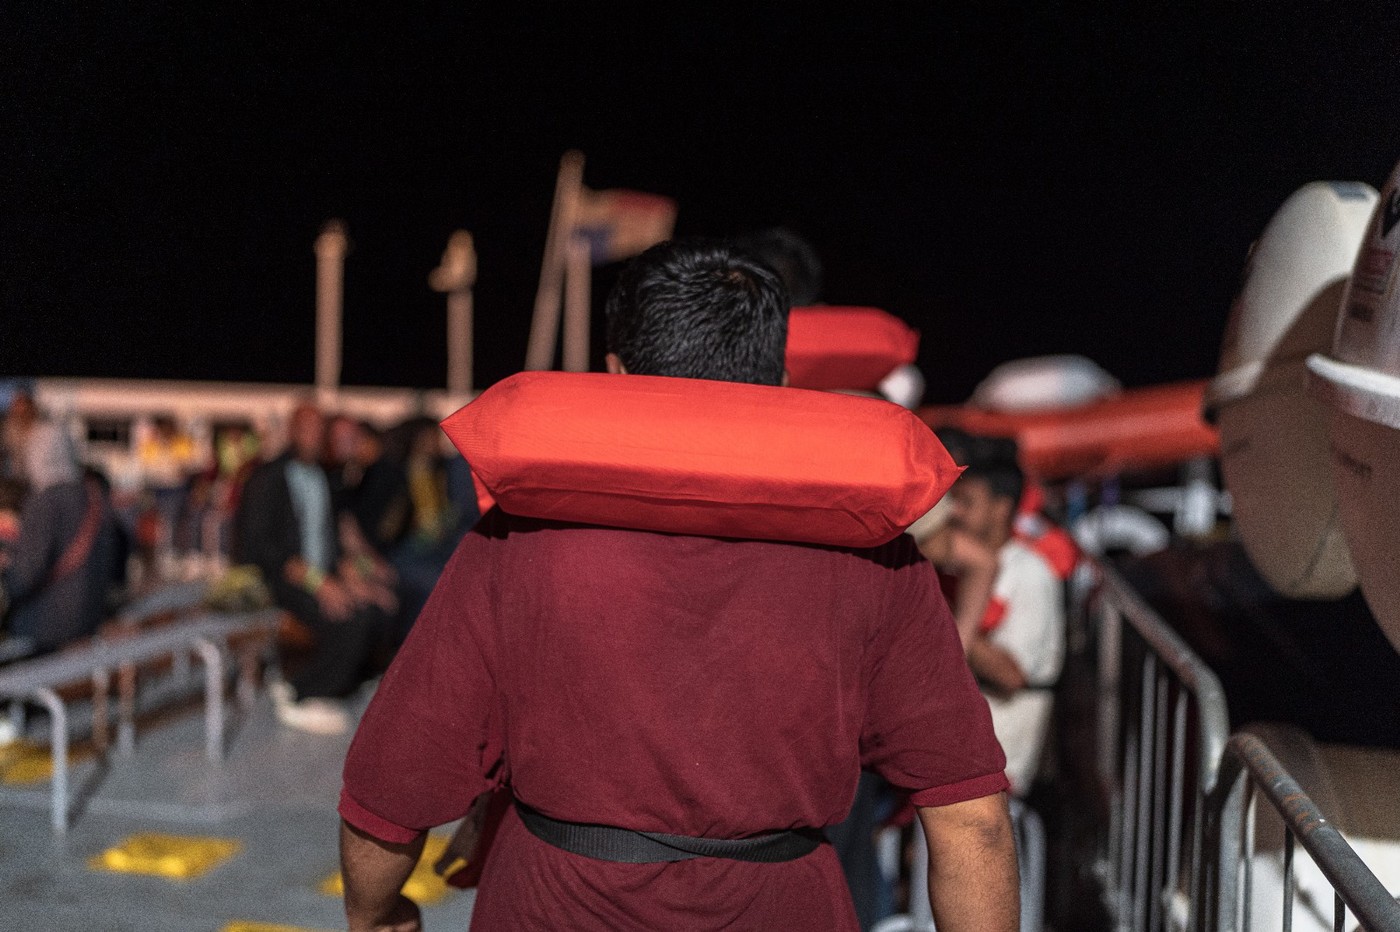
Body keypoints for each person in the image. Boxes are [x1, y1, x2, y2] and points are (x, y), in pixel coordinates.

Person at [337, 240, 1019, 932]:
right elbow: (972, 818)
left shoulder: (517, 542)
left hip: (553, 903)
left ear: (614, 373)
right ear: (780, 380)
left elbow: (393, 781)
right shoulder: (877, 556)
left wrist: (376, 913)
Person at [233, 402, 390, 735]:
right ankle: (301, 693)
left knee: (377, 605)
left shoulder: (323, 477)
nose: (315, 436)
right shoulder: (268, 477)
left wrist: (359, 573)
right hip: (278, 580)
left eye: (320, 429)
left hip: (319, 574)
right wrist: (320, 582)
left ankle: (336, 682)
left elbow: (334, 539)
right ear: (293, 430)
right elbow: (261, 547)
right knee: (351, 620)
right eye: (307, 428)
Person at [946, 444, 1066, 795]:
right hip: (955, 764)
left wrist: (934, 620)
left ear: (1001, 509)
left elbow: (1011, 674)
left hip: (997, 774)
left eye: (966, 501)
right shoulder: (958, 567)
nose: (954, 512)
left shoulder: (1031, 573)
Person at [1, 424, 121, 656]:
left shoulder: (44, 502)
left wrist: (8, 571)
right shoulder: (94, 495)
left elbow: (26, 575)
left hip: (45, 629)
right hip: (89, 622)